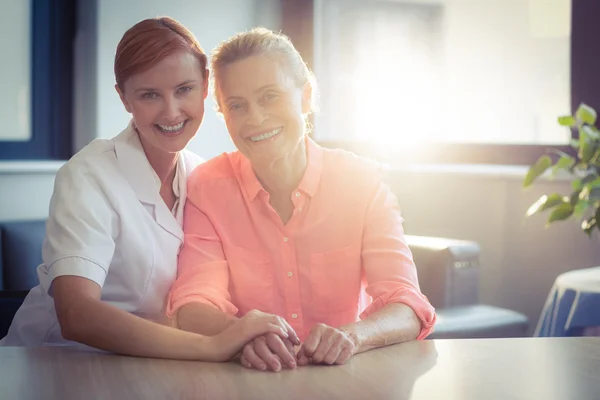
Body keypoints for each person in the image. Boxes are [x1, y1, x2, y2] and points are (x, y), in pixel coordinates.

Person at [0, 18, 298, 360]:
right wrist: (213, 346)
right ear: (124, 98)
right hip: (53, 361)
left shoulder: (202, 176)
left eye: (184, 89)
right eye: (149, 95)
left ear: (205, 87)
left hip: (152, 363)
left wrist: (248, 335)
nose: (171, 112)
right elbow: (76, 315)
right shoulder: (89, 175)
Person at [167, 27, 436, 372]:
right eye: (237, 105)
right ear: (223, 114)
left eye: (269, 97)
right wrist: (241, 335)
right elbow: (193, 303)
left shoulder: (363, 182)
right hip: (250, 383)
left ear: (306, 97)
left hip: (346, 382)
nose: (256, 119)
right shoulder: (207, 187)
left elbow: (407, 305)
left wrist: (352, 337)